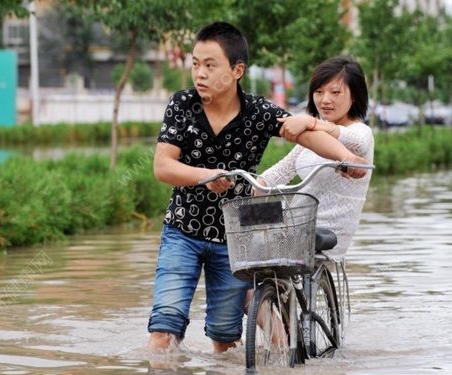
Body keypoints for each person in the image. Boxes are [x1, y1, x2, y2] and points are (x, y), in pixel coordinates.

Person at [148, 22, 369, 354]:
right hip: (183, 231)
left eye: (210, 65)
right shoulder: (182, 105)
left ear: (237, 70)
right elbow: (163, 166)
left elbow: (305, 138)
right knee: (164, 328)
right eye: (195, 64)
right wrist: (204, 175)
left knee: (224, 337)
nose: (200, 73)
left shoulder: (259, 112)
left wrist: (346, 159)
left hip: (234, 239)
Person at [258, 55, 374, 259]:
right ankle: (257, 291)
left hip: (330, 230)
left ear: (354, 95)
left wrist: (309, 122)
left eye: (335, 92)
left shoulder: (361, 132)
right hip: (297, 220)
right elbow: (281, 170)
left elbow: (352, 139)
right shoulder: (312, 138)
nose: (325, 100)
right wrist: (250, 187)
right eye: (319, 92)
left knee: (262, 245)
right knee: (243, 226)